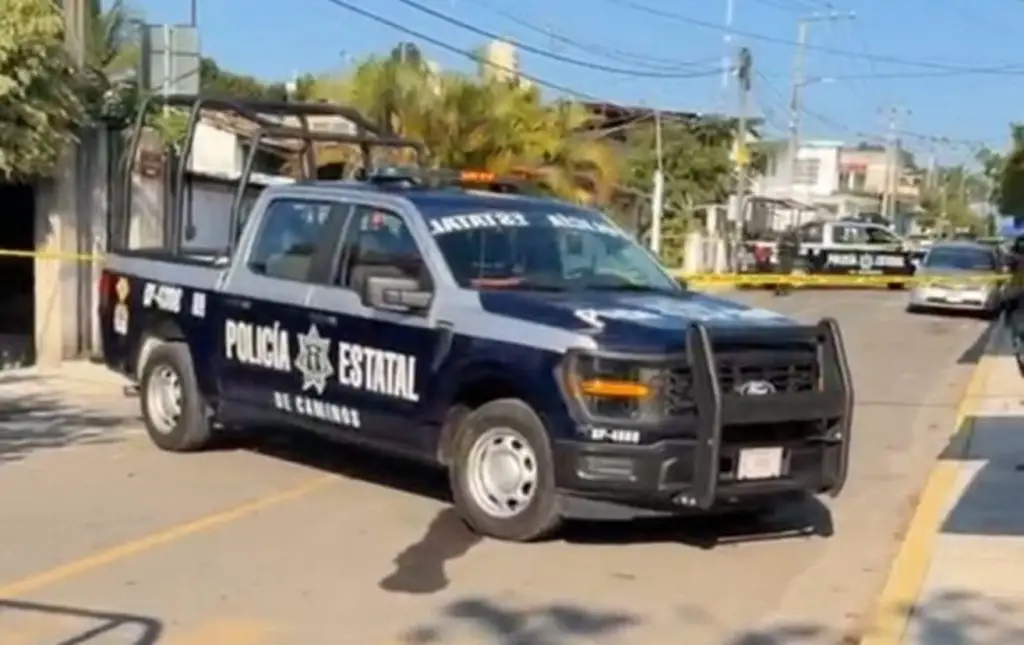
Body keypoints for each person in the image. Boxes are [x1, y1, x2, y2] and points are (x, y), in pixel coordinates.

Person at [774, 226, 801, 296]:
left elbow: (797, 246)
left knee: (784, 272)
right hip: (785, 255)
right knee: (784, 273)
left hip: (786, 256)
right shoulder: (786, 236)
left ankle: (781, 289)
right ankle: (782, 289)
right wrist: (789, 245)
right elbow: (779, 244)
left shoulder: (793, 236)